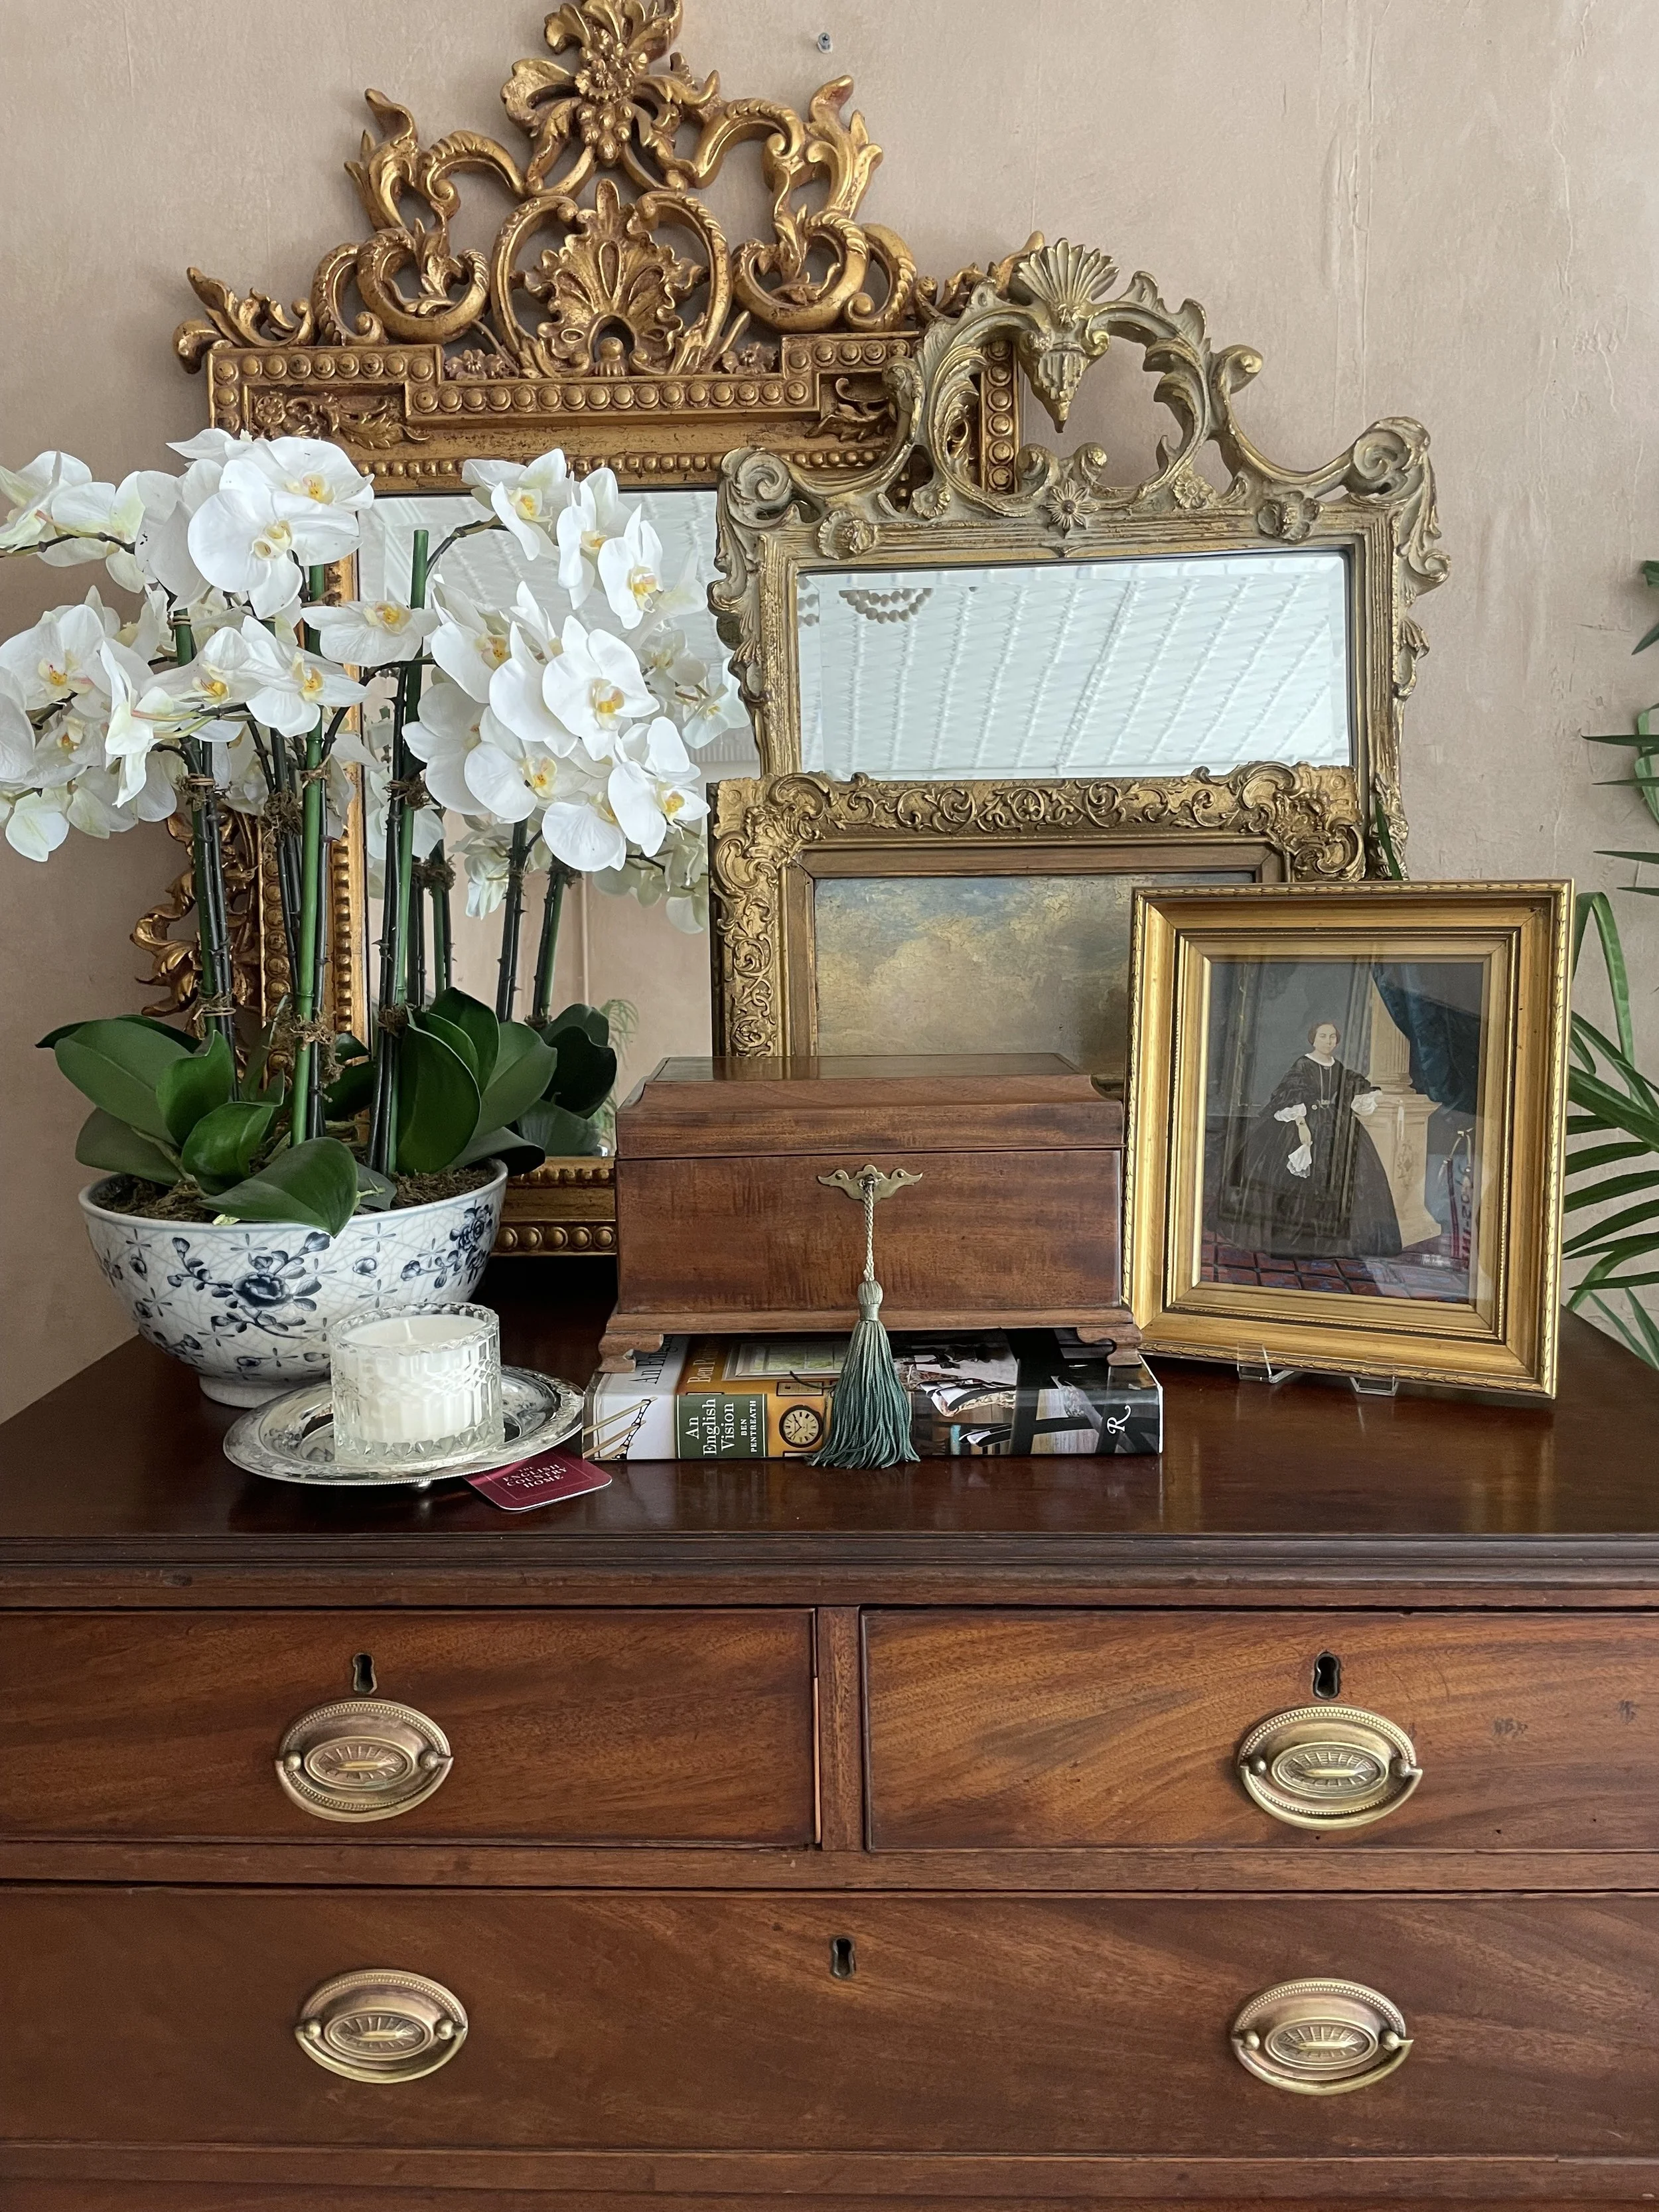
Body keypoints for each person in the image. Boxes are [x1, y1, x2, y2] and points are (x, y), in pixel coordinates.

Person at [1216, 1019, 1402, 1260]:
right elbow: (1292, 1096)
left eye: (1332, 1037)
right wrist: (1303, 1127)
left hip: (1334, 1124)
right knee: (1296, 1181)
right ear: (1313, 1039)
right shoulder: (1303, 1065)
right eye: (1323, 1036)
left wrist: (1373, 1095)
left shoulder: (1338, 1067)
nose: (1328, 1041)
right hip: (1302, 1123)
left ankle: (1334, 1240)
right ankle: (1295, 1240)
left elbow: (1351, 1088)